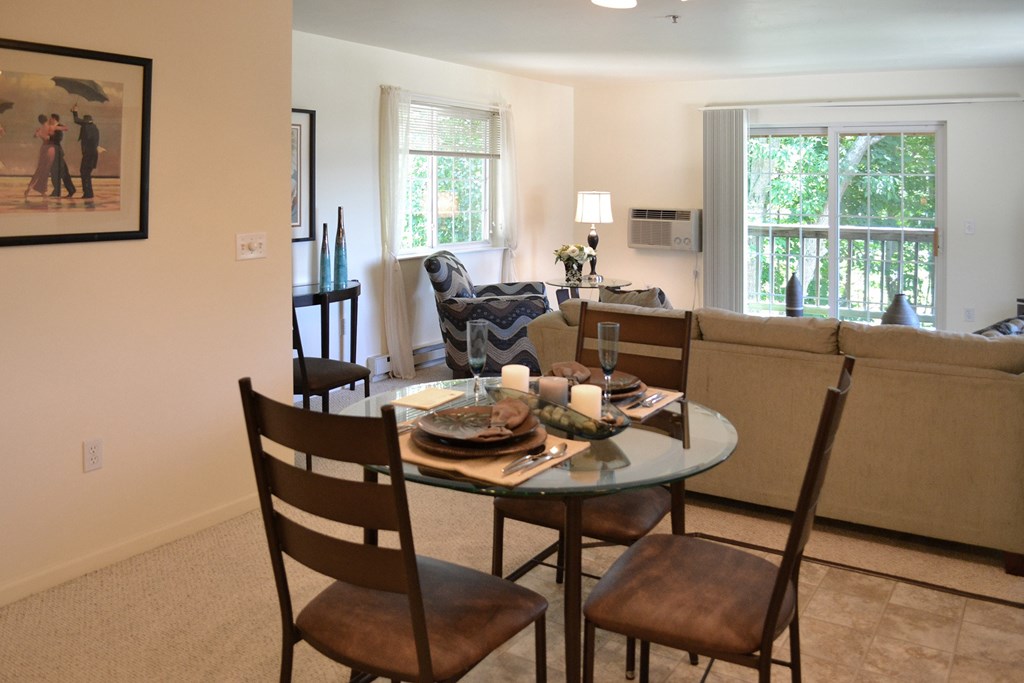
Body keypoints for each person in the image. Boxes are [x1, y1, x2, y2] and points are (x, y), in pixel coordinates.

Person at [71, 105, 100, 199]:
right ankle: (88, 193)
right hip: (93, 154)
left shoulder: (87, 126)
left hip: (88, 154)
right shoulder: (95, 128)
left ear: (86, 121)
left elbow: (76, 120)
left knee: (84, 173)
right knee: (86, 173)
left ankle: (87, 194)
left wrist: (75, 111)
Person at [24, 114, 56, 198]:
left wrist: (39, 134)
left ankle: (31, 187)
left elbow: (35, 136)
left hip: (44, 148)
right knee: (45, 170)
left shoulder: (40, 128)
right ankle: (42, 191)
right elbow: (49, 138)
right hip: (49, 149)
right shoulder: (49, 127)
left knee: (40, 169)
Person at [48, 113, 75, 199]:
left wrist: (50, 136)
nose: (49, 120)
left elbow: (58, 139)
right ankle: (67, 190)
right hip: (54, 151)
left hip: (57, 151)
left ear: (54, 119)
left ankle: (59, 191)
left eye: (50, 119)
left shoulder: (59, 127)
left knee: (58, 172)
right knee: (60, 171)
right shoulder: (52, 127)